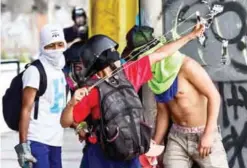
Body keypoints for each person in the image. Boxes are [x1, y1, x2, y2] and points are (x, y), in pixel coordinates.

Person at [60, 22, 205, 168]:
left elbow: (65, 122)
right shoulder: (129, 73)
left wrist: (72, 103)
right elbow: (160, 54)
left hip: (102, 154)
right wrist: (190, 36)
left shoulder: (92, 89)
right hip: (130, 149)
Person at [15, 24, 67, 168]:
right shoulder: (34, 71)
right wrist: (23, 147)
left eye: (60, 44)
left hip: (56, 141)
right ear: (43, 46)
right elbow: (25, 109)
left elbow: (59, 107)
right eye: (51, 46)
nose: (56, 49)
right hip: (37, 140)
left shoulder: (61, 71)